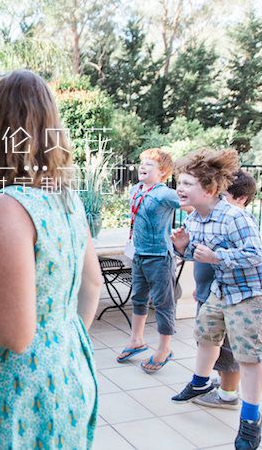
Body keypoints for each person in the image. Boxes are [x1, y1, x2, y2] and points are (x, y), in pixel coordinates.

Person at [0, 70, 102, 449]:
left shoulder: (8, 205)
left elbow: (15, 335)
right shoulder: (66, 197)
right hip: (66, 374)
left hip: (17, 391)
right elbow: (91, 284)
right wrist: (56, 343)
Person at [170, 150, 262, 450]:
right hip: (225, 288)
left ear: (207, 190)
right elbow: (196, 253)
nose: (180, 188)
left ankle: (250, 419)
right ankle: (200, 382)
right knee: (205, 332)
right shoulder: (195, 220)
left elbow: (257, 255)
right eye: (179, 182)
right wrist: (183, 247)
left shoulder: (235, 216)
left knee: (248, 355)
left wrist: (219, 256)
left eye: (187, 183)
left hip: (255, 292)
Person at [190, 169, 256, 410]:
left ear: (241, 199)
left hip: (228, 296)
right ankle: (221, 383)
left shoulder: (237, 221)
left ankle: (228, 394)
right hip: (209, 292)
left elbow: (250, 257)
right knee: (210, 342)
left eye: (223, 195)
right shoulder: (212, 219)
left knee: (227, 348)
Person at [116, 148, 182, 373]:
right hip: (139, 254)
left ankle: (164, 349)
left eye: (149, 165)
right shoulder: (135, 189)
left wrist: (187, 234)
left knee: (163, 304)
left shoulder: (165, 193)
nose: (142, 167)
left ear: (163, 172)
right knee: (138, 299)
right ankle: (136, 340)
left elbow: (191, 205)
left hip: (159, 258)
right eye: (142, 163)